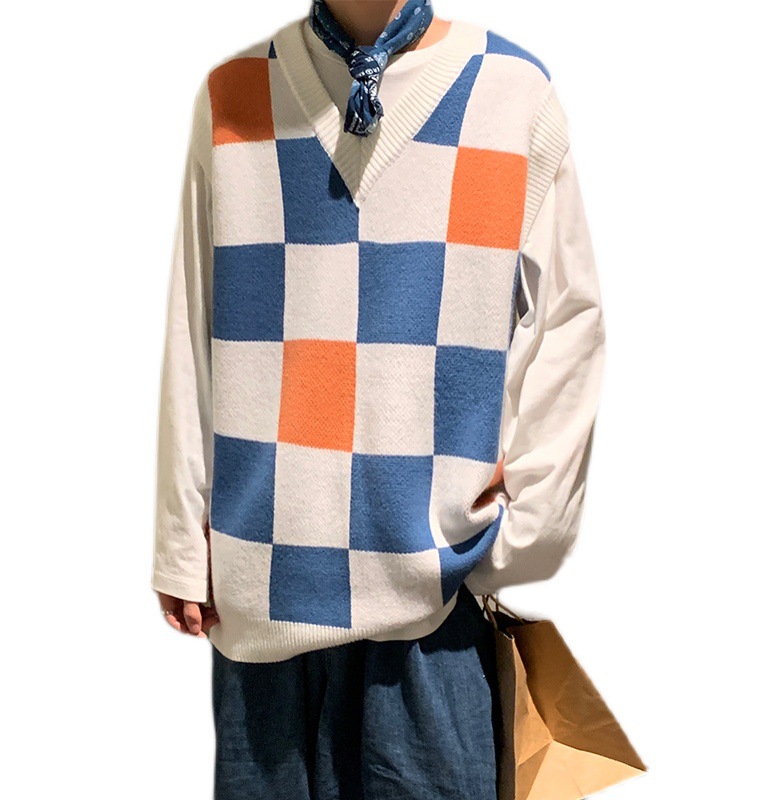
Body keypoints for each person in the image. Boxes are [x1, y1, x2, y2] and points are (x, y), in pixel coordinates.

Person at [151, 1, 606, 797]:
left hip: (432, 604)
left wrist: (526, 528)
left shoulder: (511, 93)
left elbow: (570, 322)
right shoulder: (235, 97)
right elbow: (196, 321)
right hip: (263, 592)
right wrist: (181, 541)